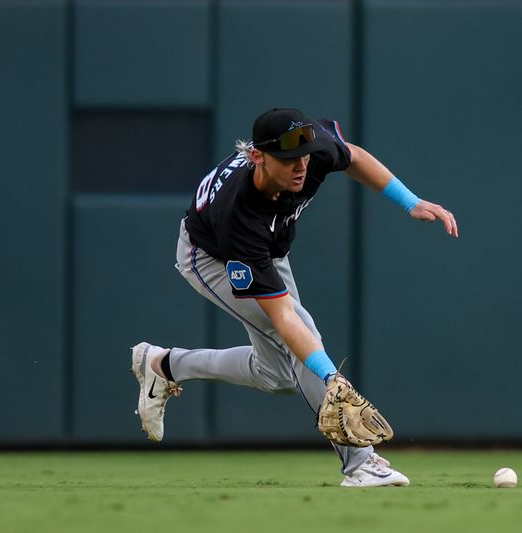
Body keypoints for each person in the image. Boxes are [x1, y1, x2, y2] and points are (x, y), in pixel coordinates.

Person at [131, 108, 458, 487]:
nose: (300, 166)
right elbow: (285, 318)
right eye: (288, 160)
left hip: (270, 246)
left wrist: (410, 202)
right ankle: (360, 463)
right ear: (258, 157)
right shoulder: (239, 216)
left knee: (278, 375)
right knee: (302, 339)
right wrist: (332, 378)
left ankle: (163, 365)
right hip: (211, 255)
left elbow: (353, 156)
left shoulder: (310, 149)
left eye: (303, 156)